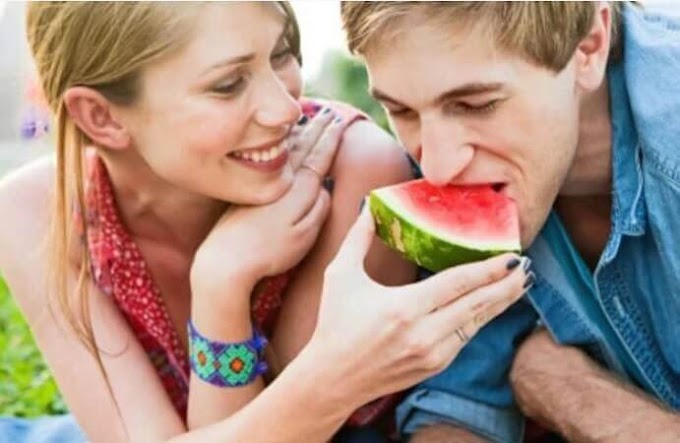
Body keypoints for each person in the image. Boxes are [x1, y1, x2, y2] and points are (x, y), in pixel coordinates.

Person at [0, 2, 530, 442]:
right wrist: (222, 280)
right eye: (228, 85)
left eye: (280, 54)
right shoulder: (33, 212)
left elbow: (286, 429)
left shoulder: (354, 168)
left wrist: (220, 289)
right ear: (102, 117)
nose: (285, 109)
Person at [341, 1, 680, 442]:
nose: (439, 168)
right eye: (401, 112)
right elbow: (457, 410)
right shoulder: (471, 167)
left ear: (587, 47)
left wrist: (562, 385)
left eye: (475, 104)